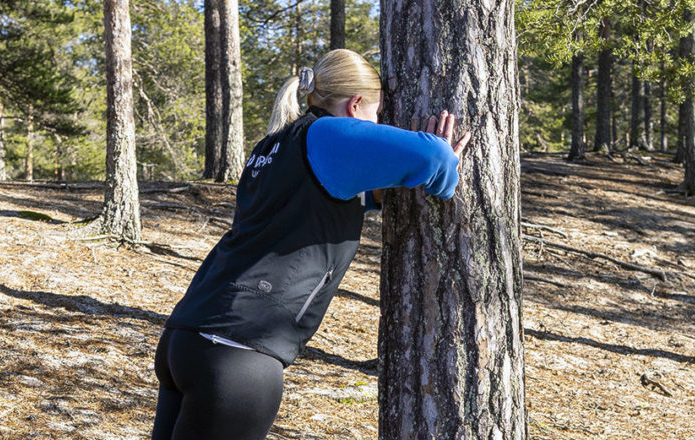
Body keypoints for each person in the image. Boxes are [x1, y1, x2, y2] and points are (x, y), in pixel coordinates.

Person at [152, 48, 471, 440]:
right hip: (238, 353)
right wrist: (447, 175)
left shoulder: (276, 144)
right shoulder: (329, 134)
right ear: (355, 105)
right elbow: (434, 155)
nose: (377, 125)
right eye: (377, 115)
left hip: (187, 338)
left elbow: (322, 204)